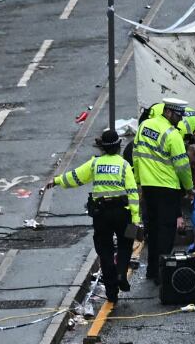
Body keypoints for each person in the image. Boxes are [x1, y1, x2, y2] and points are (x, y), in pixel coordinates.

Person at [46, 129, 140, 304]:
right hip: (123, 213)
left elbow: (76, 177)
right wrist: (135, 218)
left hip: (101, 214)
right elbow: (133, 192)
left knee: (105, 251)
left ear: (102, 148)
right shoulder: (124, 165)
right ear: (119, 147)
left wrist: (57, 180)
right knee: (126, 244)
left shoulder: (95, 164)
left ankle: (112, 292)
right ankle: (121, 274)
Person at [132, 96, 191, 287]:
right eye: (178, 115)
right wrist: (189, 188)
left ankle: (151, 269)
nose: (180, 120)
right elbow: (182, 166)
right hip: (167, 188)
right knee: (166, 232)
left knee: (153, 228)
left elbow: (137, 155)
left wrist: (139, 181)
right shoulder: (172, 135)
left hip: (148, 187)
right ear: (168, 112)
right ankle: (161, 273)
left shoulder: (144, 126)